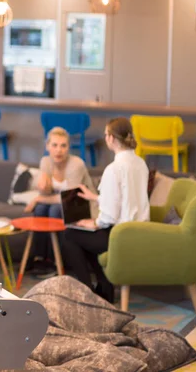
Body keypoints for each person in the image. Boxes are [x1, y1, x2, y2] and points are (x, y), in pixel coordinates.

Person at [64, 117, 149, 303]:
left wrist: (93, 222)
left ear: (110, 138)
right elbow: (127, 199)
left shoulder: (114, 169)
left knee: (70, 234)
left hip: (119, 235)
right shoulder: (140, 164)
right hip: (139, 233)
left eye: (105, 134)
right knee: (87, 239)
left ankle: (87, 294)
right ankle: (104, 288)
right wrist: (95, 197)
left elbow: (109, 216)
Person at [24, 127, 96, 276]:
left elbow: (68, 198)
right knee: (40, 209)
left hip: (81, 206)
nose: (59, 150)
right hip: (60, 204)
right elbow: (47, 193)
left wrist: (38, 198)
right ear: (47, 146)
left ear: (69, 147)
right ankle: (39, 258)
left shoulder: (76, 164)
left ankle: (54, 260)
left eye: (63, 146)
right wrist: (43, 188)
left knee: (55, 209)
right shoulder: (45, 161)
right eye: (55, 145)